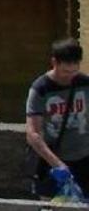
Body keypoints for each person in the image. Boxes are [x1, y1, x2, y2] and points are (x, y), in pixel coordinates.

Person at [24, 39, 89, 200]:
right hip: (52, 161)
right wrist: (57, 164)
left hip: (83, 159)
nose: (70, 77)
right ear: (54, 62)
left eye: (74, 72)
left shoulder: (84, 83)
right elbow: (33, 133)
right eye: (65, 72)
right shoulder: (41, 88)